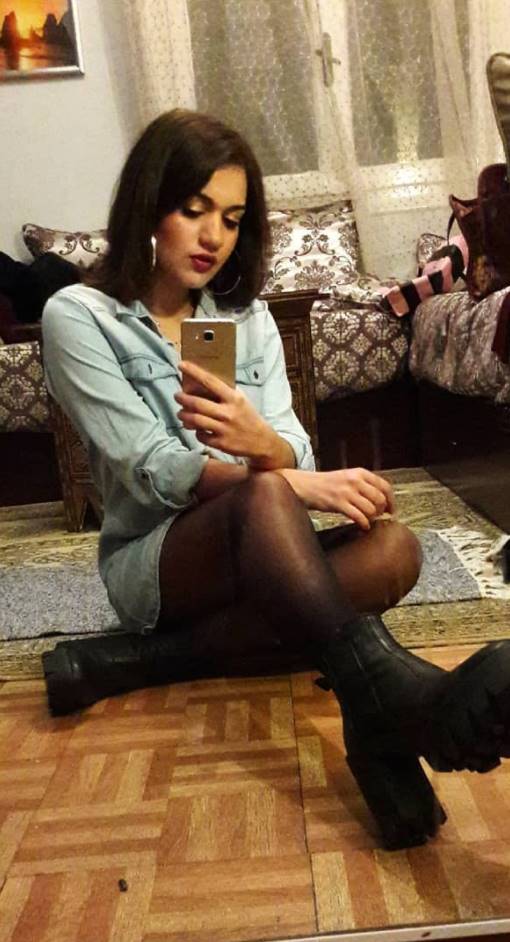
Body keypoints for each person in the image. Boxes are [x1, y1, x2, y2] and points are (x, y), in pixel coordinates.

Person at [42, 109, 510, 850]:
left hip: (260, 550)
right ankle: (387, 698)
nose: (213, 236)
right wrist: (291, 482)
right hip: (156, 562)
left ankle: (134, 664)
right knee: (267, 495)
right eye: (193, 209)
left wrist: (266, 446)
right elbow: (153, 466)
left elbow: (291, 447)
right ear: (147, 205)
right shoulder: (80, 316)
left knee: (394, 550)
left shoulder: (243, 317)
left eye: (231, 219)